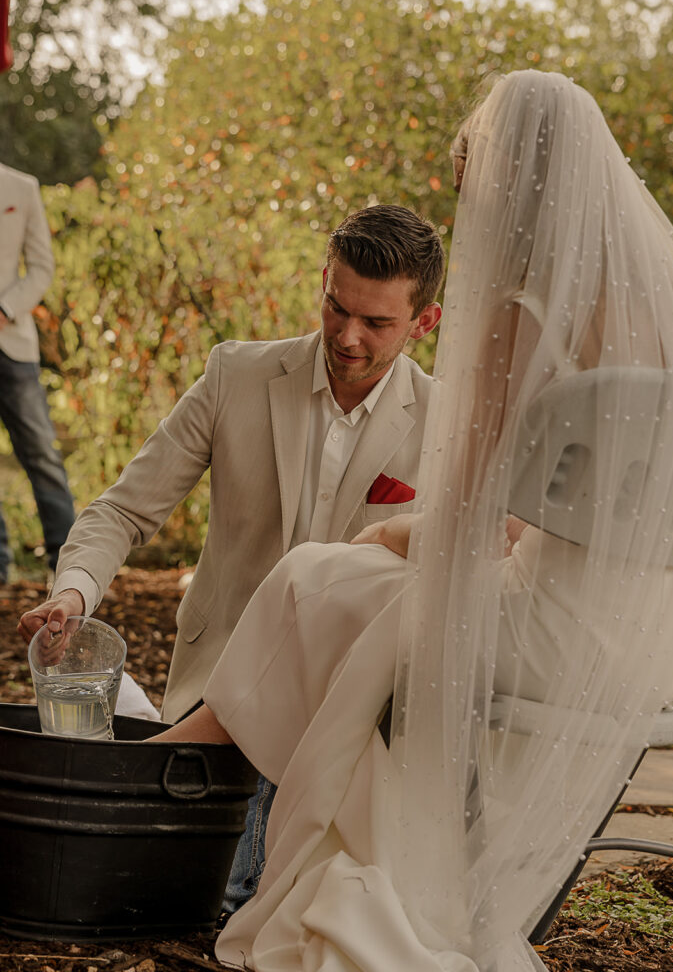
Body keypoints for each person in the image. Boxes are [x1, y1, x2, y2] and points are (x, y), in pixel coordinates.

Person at [150, 70, 673, 972]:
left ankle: (171, 777)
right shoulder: (665, 310)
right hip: (654, 642)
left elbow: (468, 519)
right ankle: (191, 765)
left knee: (322, 575)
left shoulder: (525, 313)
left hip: (544, 628)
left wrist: (392, 531)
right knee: (343, 591)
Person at [18, 202, 444, 910]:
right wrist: (74, 595)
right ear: (324, 281)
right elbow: (122, 510)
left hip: (347, 725)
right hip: (220, 699)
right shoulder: (235, 375)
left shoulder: (445, 422)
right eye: (337, 307)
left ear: (424, 322)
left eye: (376, 323)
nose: (346, 335)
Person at [0, 161, 76, 586]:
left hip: (12, 344)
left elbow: (42, 268)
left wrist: (5, 309)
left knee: (42, 454)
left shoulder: (21, 188)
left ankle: (66, 566)